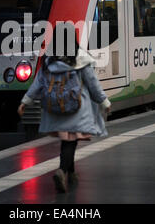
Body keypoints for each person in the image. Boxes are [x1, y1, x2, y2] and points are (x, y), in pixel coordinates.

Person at [17, 24, 111, 193]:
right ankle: (62, 170)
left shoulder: (49, 60)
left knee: (67, 139)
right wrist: (105, 102)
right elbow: (92, 84)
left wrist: (25, 101)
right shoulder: (80, 59)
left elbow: (38, 83)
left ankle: (72, 173)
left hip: (55, 109)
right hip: (77, 108)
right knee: (70, 141)